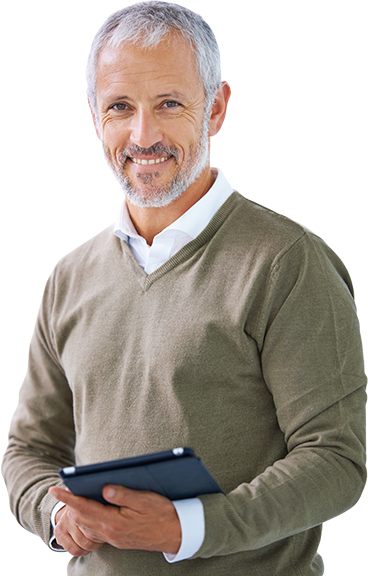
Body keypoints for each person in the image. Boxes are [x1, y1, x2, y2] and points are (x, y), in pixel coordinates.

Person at [2, 2, 366, 575]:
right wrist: (55, 514)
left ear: (216, 108)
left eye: (169, 104)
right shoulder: (69, 278)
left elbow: (336, 460)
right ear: (94, 115)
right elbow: (28, 452)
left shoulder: (289, 264)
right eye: (120, 106)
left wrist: (187, 528)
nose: (143, 135)